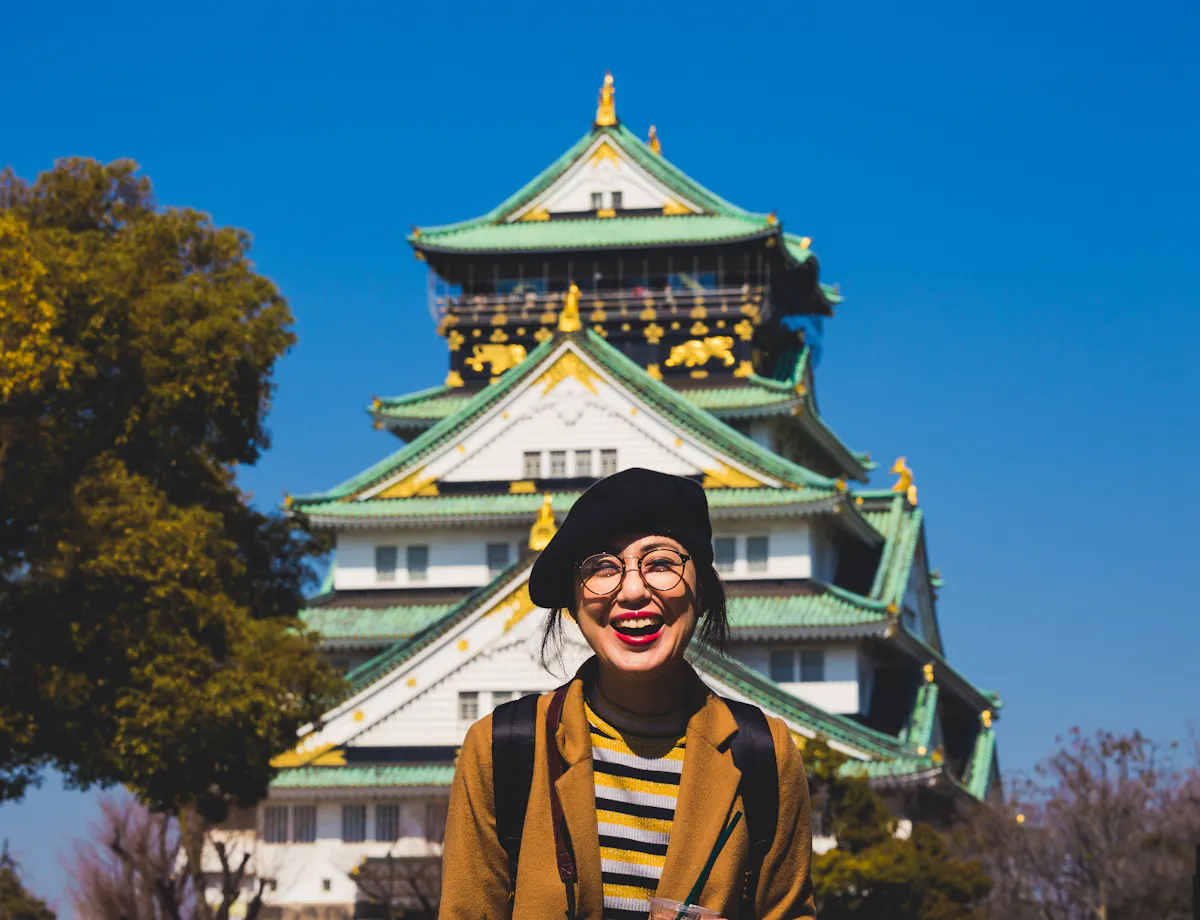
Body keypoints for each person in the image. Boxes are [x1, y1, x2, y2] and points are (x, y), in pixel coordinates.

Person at [439, 468, 816, 920]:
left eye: (661, 563)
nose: (633, 591)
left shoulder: (762, 755)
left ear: (703, 589)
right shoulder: (503, 750)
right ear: (574, 604)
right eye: (601, 568)